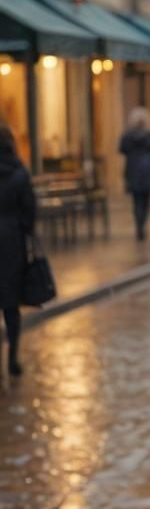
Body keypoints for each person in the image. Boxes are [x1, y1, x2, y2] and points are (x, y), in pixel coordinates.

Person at [0, 124, 36, 378]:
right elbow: (29, 211)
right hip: (12, 240)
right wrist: (23, 229)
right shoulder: (19, 173)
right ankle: (12, 357)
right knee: (10, 303)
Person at [118, 107, 150, 241]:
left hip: (132, 170)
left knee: (136, 200)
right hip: (147, 171)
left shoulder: (127, 135)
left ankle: (139, 225)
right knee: (146, 200)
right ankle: (142, 224)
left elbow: (121, 149)